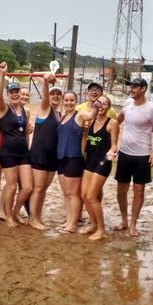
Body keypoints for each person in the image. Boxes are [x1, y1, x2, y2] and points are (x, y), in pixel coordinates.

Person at [114, 77, 153, 237]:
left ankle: (133, 224)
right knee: (121, 189)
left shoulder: (152, 109)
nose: (131, 89)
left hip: (142, 155)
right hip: (124, 153)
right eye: (131, 87)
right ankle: (124, 220)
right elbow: (116, 121)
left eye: (135, 87)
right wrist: (112, 140)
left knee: (139, 191)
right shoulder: (128, 104)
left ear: (143, 89)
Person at [0, 63, 33, 228]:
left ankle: (17, 211)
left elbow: (25, 131)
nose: (15, 94)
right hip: (8, 152)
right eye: (11, 92)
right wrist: (3, 75)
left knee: (27, 187)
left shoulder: (25, 111)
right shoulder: (4, 108)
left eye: (16, 91)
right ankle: (9, 216)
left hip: (23, 152)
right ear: (8, 94)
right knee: (11, 186)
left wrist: (29, 133)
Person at [80, 95, 119, 240]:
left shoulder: (112, 123)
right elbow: (84, 138)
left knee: (91, 196)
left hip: (103, 162)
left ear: (109, 107)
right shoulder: (91, 122)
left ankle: (101, 229)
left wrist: (112, 152)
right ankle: (93, 224)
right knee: (84, 195)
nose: (101, 106)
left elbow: (115, 144)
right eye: (98, 103)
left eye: (104, 104)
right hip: (90, 160)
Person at [57, 91, 96, 233]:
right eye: (66, 100)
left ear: (76, 101)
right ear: (63, 101)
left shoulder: (79, 115)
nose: (68, 103)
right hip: (61, 158)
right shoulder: (62, 117)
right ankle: (68, 221)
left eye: (71, 100)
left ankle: (73, 224)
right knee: (66, 193)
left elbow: (91, 116)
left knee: (73, 193)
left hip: (74, 158)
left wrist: (95, 104)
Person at [28, 74, 62, 230]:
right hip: (39, 154)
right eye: (52, 94)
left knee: (43, 189)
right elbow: (46, 97)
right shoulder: (44, 108)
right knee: (38, 188)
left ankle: (38, 216)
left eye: (58, 94)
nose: (55, 96)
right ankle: (33, 218)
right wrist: (46, 82)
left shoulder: (59, 114)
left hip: (52, 157)